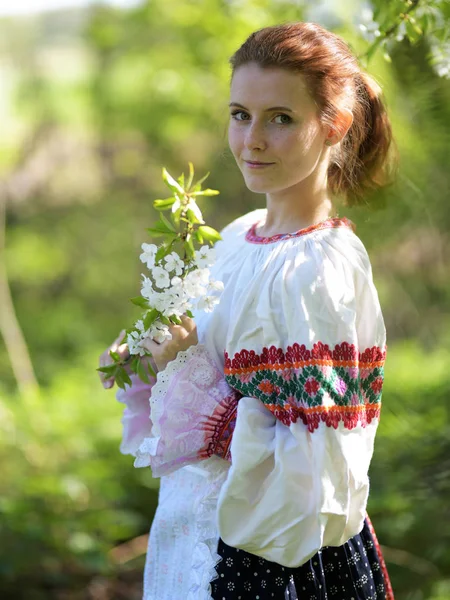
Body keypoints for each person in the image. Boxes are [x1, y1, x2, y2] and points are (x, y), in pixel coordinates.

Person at [99, 21, 396, 600]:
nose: (252, 140)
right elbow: (211, 370)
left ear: (333, 124)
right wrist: (151, 360)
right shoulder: (237, 235)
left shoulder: (321, 268)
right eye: (240, 114)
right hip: (190, 532)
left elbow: (315, 466)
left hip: (266, 560)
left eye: (280, 118)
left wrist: (187, 375)